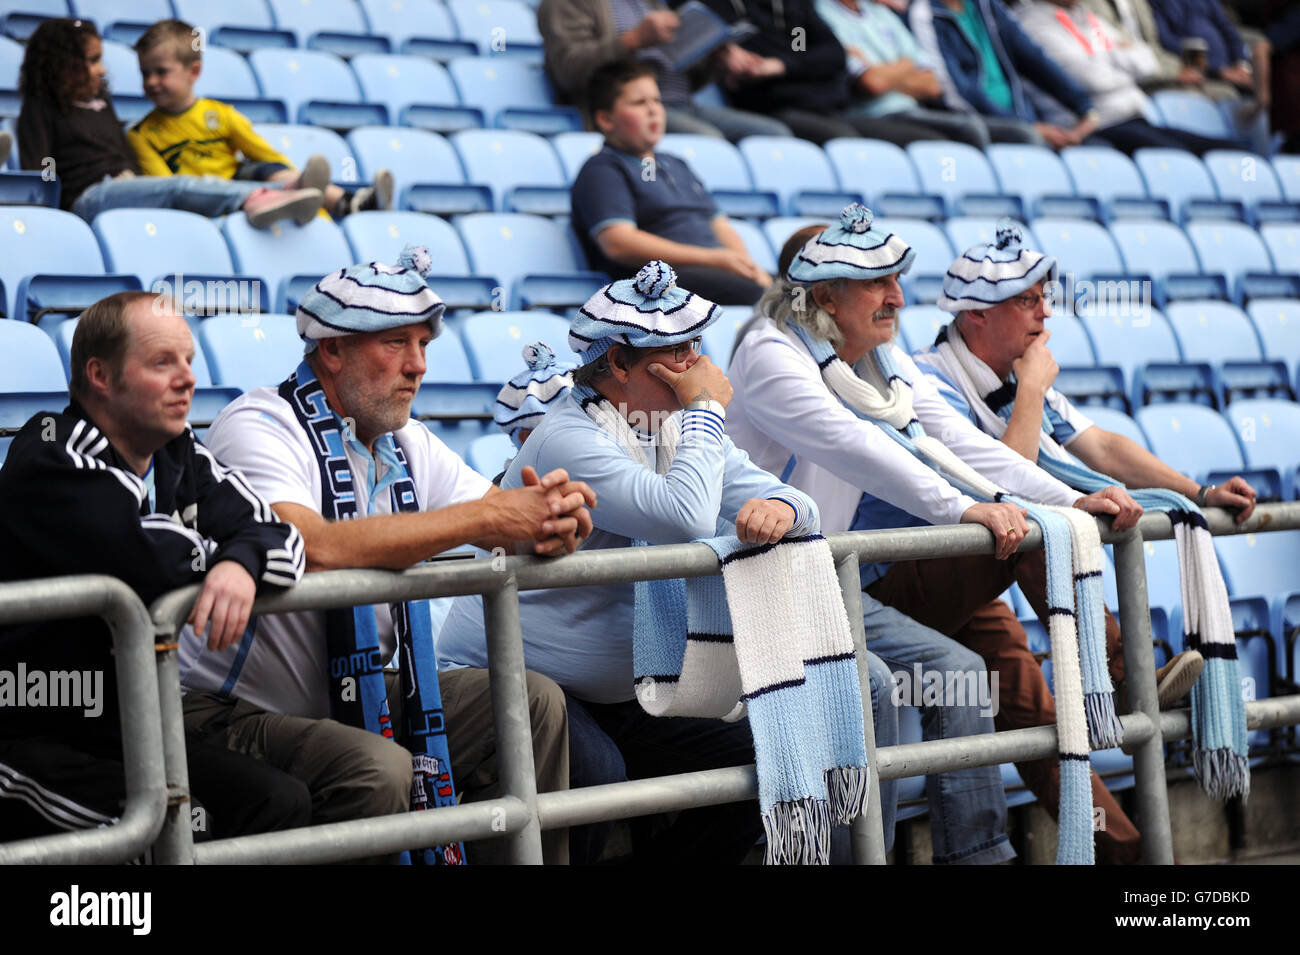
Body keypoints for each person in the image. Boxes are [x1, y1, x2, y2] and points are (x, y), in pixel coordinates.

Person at [439, 258, 1017, 864]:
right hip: (530, 687)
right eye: (677, 356)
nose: (697, 370)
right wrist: (706, 409)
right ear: (617, 364)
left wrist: (785, 514)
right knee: (597, 773)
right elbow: (684, 514)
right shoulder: (571, 436)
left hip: (630, 688)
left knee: (770, 752)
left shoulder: (667, 424)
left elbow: (791, 500)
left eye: (694, 350)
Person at [727, 207, 1153, 862]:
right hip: (766, 586)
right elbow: (856, 445)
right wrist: (962, 509)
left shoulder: (878, 358)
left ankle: (982, 855)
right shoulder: (769, 350)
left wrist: (1069, 496)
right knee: (887, 681)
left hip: (832, 579)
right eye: (878, 282)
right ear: (823, 294)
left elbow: (957, 441)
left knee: (965, 666)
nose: (899, 296)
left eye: (897, 278)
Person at [180, 246, 591, 864]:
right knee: (379, 768)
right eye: (396, 343)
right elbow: (305, 546)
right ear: (332, 350)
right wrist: (492, 516)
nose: (417, 367)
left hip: (361, 692)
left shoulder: (409, 440)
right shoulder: (259, 421)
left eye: (424, 345)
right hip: (229, 710)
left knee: (534, 703)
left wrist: (556, 519)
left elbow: (507, 519)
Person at [0, 290, 311, 844]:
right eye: (163, 362)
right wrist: (224, 553)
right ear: (100, 375)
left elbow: (284, 539)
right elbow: (137, 551)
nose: (188, 379)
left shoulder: (178, 452)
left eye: (189, 360)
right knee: (178, 832)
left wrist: (240, 563)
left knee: (278, 802)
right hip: (26, 736)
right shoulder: (48, 450)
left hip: (127, 732)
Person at [17, 18, 322, 227]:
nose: (102, 69)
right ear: (66, 65)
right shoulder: (41, 108)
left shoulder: (101, 100)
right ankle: (255, 199)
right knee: (176, 187)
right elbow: (41, 168)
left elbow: (117, 153)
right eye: (93, 60)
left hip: (125, 185)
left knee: (206, 177)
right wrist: (55, 196)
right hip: (87, 197)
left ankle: (287, 188)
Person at [128, 19, 394, 222]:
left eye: (161, 72)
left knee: (267, 168)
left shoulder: (220, 115)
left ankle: (349, 203)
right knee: (254, 177)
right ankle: (330, 201)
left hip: (241, 181)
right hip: (206, 198)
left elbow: (267, 155)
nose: (151, 82)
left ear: (194, 71)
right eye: (144, 73)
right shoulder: (141, 134)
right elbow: (165, 189)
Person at [572, 60, 772, 305]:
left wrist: (747, 265)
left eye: (657, 100)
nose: (653, 110)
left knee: (799, 288)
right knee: (759, 296)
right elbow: (618, 243)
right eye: (639, 103)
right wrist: (715, 259)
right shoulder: (602, 169)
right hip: (658, 286)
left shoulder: (677, 163)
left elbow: (720, 225)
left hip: (715, 272)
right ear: (605, 120)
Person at [1011, 0, 1248, 155]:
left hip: (1134, 116)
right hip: (1094, 125)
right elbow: (1091, 79)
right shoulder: (1031, 23)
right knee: (1182, 161)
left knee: (1237, 152)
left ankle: (1249, 199)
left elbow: (1147, 60)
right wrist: (1125, 69)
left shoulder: (1084, 17)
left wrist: (1112, 63)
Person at [536, 0, 792, 140]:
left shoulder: (653, 3)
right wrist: (633, 39)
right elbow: (569, 71)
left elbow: (681, 74)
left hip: (684, 104)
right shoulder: (566, 3)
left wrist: (714, 58)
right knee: (708, 140)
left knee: (776, 134)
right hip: (630, 110)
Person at [815, 0, 1017, 147]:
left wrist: (883, 71)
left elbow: (933, 85)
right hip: (871, 115)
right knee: (963, 132)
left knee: (995, 132)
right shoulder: (820, 12)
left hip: (911, 111)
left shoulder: (880, 13)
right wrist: (906, 66)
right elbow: (873, 83)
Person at [907, 0, 1103, 148]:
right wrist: (1027, 126)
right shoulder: (924, 14)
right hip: (978, 122)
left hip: (1023, 119)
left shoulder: (988, 7)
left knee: (1094, 148)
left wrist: (1084, 107)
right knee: (1027, 138)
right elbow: (955, 93)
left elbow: (1035, 59)